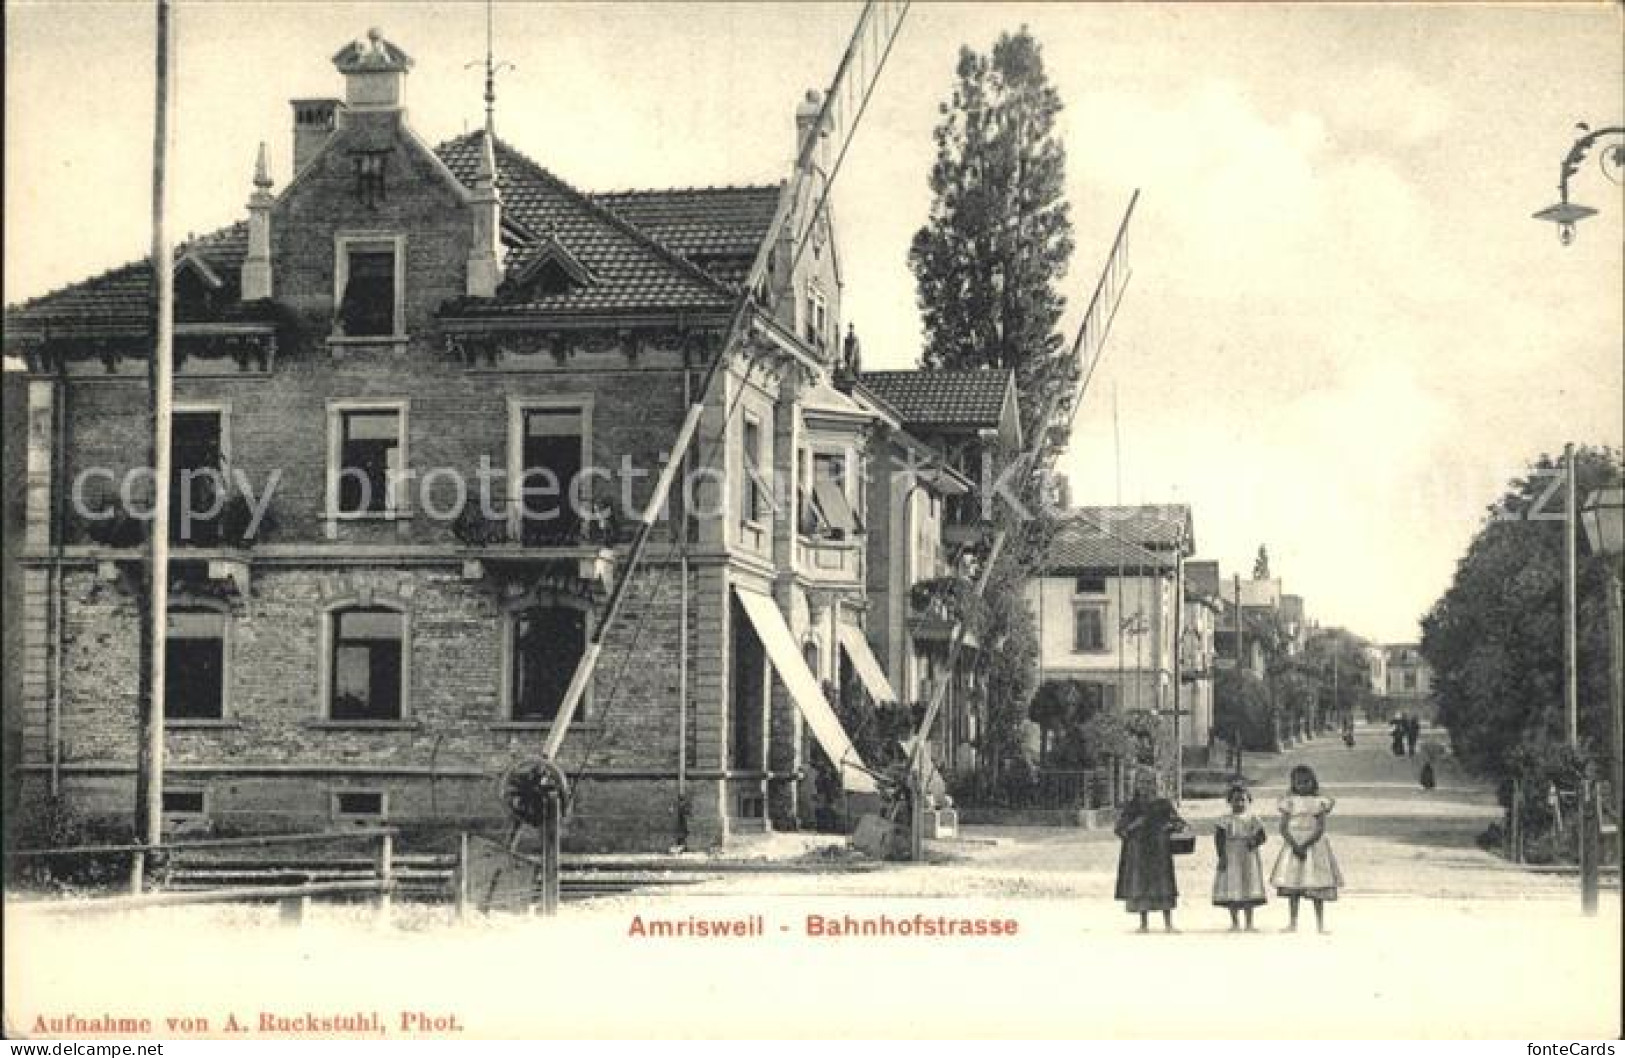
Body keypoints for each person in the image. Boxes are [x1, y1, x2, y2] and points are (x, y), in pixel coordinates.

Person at [1271, 764, 1344, 933]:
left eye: (1307, 781)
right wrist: (1294, 845)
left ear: (1313, 782)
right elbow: (1283, 827)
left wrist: (1306, 845)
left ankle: (1320, 925)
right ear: (1293, 784)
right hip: (1293, 844)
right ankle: (1293, 923)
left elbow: (1320, 829)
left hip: (1314, 845)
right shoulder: (1289, 802)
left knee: (1316, 885)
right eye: (1299, 782)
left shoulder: (1319, 803)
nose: (1303, 785)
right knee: (1294, 885)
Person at [1114, 768, 1185, 933]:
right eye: (1142, 782)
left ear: (1155, 784)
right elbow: (1119, 829)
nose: (1145, 786)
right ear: (1136, 785)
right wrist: (1134, 825)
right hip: (1139, 852)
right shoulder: (1132, 806)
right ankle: (1143, 924)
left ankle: (1168, 924)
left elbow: (1179, 822)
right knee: (1141, 885)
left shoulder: (1163, 804)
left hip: (1159, 851)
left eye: (1149, 782)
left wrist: (1172, 826)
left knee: (1163, 885)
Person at [1212, 782, 1268, 931]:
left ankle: (1249, 923)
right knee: (1233, 885)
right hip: (1231, 855)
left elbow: (1263, 836)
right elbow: (1219, 839)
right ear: (1229, 801)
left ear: (1249, 801)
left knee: (1248, 885)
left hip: (1248, 856)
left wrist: (1254, 841)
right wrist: (1222, 856)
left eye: (1243, 800)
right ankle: (1235, 922)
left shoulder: (1253, 818)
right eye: (1236, 800)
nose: (1239, 803)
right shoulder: (1225, 819)